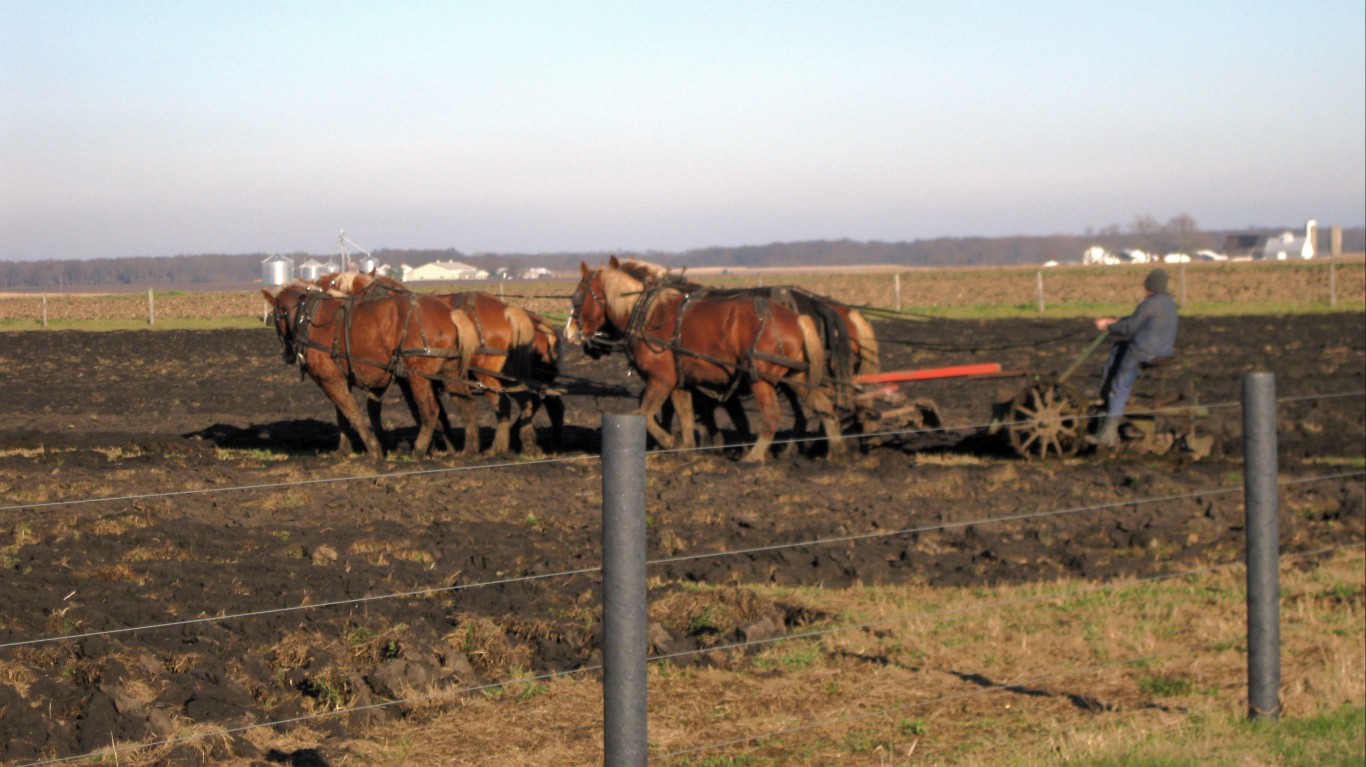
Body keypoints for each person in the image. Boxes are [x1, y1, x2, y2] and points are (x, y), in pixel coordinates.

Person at [1089, 269, 1179, 447]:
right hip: (1163, 351)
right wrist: (1112, 321)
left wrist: (1108, 326)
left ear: (1150, 286)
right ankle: (1107, 390)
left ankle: (1106, 434)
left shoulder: (1149, 304)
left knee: (1120, 385)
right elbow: (1135, 320)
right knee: (1118, 348)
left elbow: (1129, 328)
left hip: (1143, 352)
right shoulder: (1169, 304)